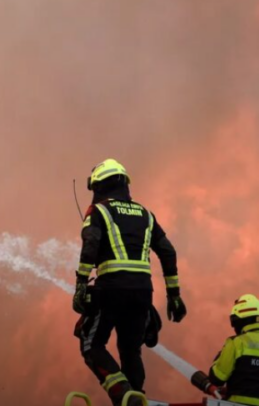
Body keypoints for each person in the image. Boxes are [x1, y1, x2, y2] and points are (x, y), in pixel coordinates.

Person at [72, 158, 187, 406]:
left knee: (90, 343)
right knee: (130, 349)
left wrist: (81, 282)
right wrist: (174, 295)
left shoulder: (99, 210)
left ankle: (123, 394)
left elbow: (90, 243)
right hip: (143, 292)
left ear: (99, 185)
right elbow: (168, 252)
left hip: (111, 289)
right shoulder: (146, 214)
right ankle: (136, 396)